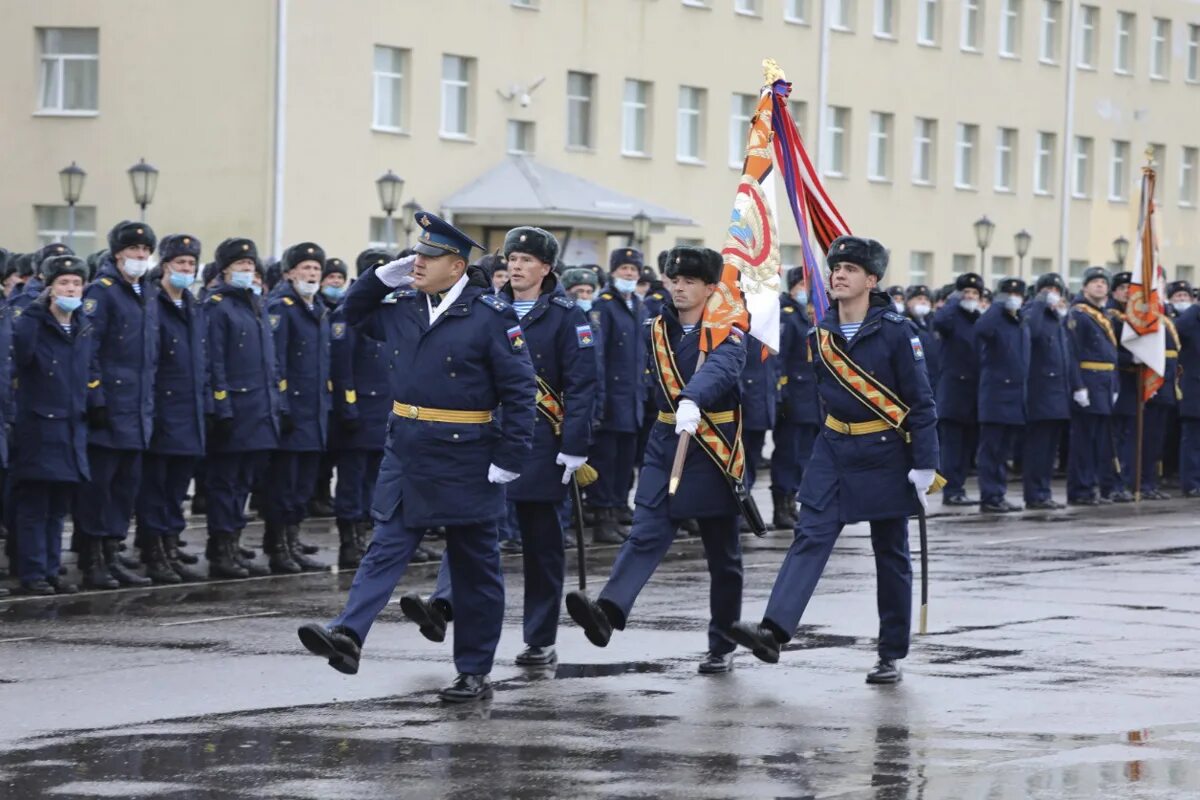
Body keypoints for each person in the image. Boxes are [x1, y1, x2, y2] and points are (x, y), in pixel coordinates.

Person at [297, 211, 536, 703]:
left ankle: (473, 670)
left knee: (475, 570)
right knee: (385, 544)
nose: (416, 264)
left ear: (456, 265)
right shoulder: (405, 304)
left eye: (428, 257)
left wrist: (510, 454)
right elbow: (349, 316)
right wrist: (377, 277)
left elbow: (519, 389)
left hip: (466, 455)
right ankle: (348, 635)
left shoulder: (490, 314)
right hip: (407, 446)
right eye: (415, 255)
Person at [728, 235, 938, 685]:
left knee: (891, 553)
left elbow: (921, 401)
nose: (838, 275)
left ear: (872, 280)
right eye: (835, 268)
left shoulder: (898, 332)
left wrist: (924, 463)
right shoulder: (819, 333)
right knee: (810, 535)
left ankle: (890, 653)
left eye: (850, 269)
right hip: (834, 450)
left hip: (885, 452)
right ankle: (774, 630)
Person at [401, 226, 598, 667]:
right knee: (469, 527)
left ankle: (539, 637)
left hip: (543, 442)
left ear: (546, 268)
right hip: (488, 439)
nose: (516, 266)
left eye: (527, 260)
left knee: (542, 544)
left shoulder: (569, 316)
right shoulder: (486, 307)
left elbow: (584, 386)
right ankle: (444, 604)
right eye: (512, 258)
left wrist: (575, 445)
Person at [566, 246, 746, 674]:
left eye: (689, 281)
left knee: (723, 555)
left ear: (709, 287)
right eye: (674, 279)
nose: (679, 287)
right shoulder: (655, 327)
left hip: (712, 447)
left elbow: (721, 368)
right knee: (646, 531)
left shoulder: (727, 330)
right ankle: (609, 612)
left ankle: (721, 642)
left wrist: (694, 397)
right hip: (666, 440)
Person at [75, 221, 160, 589]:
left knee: (125, 488)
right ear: (117, 254)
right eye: (133, 252)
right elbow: (88, 349)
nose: (140, 257)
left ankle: (112, 554)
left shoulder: (145, 293)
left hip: (138, 411)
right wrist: (95, 395)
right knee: (100, 488)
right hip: (110, 408)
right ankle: (92, 559)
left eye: (144, 252)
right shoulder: (103, 292)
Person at [9, 254, 90, 595]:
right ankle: (32, 571)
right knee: (34, 507)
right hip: (38, 427)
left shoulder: (83, 325)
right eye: (63, 283)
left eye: (75, 283)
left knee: (58, 508)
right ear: (49, 288)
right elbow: (19, 363)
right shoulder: (32, 322)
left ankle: (51, 567)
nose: (71, 288)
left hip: (71, 428)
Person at [205, 238, 286, 577]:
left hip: (259, 411)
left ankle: (233, 543)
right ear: (225, 270)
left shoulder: (256, 305)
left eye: (251, 266)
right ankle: (221, 549)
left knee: (242, 483)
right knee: (225, 483)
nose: (247, 272)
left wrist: (276, 404)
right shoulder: (218, 306)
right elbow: (215, 361)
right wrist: (221, 405)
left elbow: (270, 364)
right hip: (234, 411)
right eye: (240, 266)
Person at [136, 234, 208, 583]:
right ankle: (153, 551)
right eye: (180, 263)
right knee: (156, 488)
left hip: (189, 412)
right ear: (165, 266)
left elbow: (201, 362)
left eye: (191, 264)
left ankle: (169, 545)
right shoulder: (153, 303)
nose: (186, 269)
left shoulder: (192, 305)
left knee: (177, 487)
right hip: (163, 410)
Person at [264, 242, 332, 573]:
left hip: (314, 413)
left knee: (303, 485)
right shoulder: (282, 307)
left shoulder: (317, 308)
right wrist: (282, 404)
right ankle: (278, 545)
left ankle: (293, 540)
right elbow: (275, 362)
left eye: (316, 269)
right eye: (305, 268)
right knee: (284, 484)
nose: (311, 274)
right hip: (292, 412)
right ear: (290, 273)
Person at [329, 248, 392, 568]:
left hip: (383, 412)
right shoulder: (348, 313)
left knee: (373, 479)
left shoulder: (386, 313)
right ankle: (348, 540)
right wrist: (349, 407)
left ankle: (364, 533)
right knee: (352, 480)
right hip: (358, 413)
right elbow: (342, 368)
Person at [587, 248, 648, 543]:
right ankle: (603, 517)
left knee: (625, 461)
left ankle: (618, 509)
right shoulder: (605, 305)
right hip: (611, 400)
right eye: (624, 269)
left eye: (633, 270)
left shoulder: (639, 305)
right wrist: (600, 399)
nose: (629, 274)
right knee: (606, 461)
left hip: (633, 399)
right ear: (613, 272)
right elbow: (599, 356)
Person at [1022, 273, 1079, 510]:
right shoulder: (1033, 313)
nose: (1051, 293)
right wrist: (1039, 303)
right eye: (1046, 289)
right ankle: (1035, 494)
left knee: (1049, 450)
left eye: (1055, 289)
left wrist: (1076, 387)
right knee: (1038, 448)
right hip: (1040, 394)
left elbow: (1067, 357)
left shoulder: (1058, 319)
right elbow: (1031, 332)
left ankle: (1043, 491)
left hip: (1058, 395)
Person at [973, 277, 1031, 513]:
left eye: (1017, 294)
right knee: (992, 450)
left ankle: (999, 493)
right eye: (1007, 293)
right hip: (996, 396)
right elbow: (981, 329)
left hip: (1015, 396)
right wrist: (998, 306)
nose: (1013, 297)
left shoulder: (1018, 321)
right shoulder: (995, 317)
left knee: (1003, 451)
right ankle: (990, 496)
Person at [770, 266, 820, 530]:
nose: (805, 290)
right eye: (800, 285)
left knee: (804, 456)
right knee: (787, 454)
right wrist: (782, 391)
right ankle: (781, 505)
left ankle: (792, 502)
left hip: (811, 399)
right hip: (793, 398)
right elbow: (779, 357)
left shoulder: (811, 316)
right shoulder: (787, 316)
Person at [1066, 267, 1120, 505]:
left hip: (1104, 385)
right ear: (1084, 287)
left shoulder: (1103, 315)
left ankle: (1091, 487)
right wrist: (1078, 386)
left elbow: (1111, 354)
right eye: (1094, 282)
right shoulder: (1078, 314)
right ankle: (1080, 489)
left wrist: (1115, 384)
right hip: (1088, 383)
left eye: (1103, 282)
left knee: (1098, 441)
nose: (1100, 285)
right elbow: (1072, 353)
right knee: (1083, 442)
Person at [932, 273, 983, 506]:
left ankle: (959, 487)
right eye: (966, 292)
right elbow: (939, 321)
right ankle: (950, 490)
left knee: (967, 446)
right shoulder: (952, 317)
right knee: (952, 446)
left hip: (973, 393)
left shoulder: (977, 320)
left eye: (974, 293)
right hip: (953, 393)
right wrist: (953, 300)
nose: (970, 297)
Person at [1173, 282, 1200, 497]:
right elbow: (1178, 328)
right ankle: (1190, 482)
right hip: (1194, 388)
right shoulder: (1192, 321)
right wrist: (1196, 306)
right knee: (1192, 439)